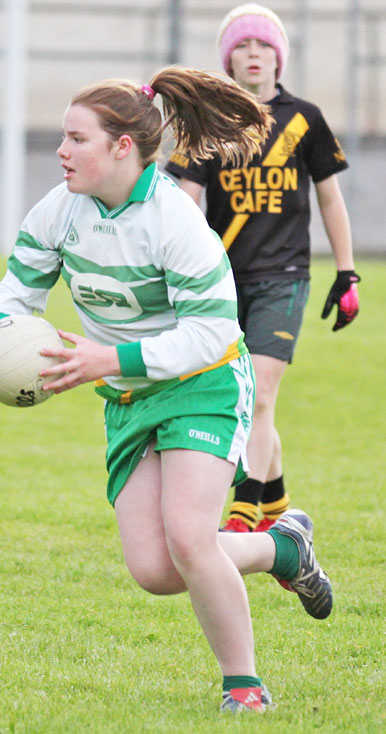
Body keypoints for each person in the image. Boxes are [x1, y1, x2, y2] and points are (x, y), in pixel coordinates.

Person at [0, 66, 333, 715]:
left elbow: (211, 333)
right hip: (129, 394)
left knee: (190, 538)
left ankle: (243, 688)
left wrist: (106, 356)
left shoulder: (176, 222)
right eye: (63, 136)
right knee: (155, 569)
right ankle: (283, 546)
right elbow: (17, 289)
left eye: (77, 138)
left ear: (122, 148)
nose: (61, 150)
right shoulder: (59, 210)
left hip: (205, 382)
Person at [165, 3, 360, 534]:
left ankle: (247, 504)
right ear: (228, 61)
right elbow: (184, 198)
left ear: (280, 56)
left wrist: (347, 273)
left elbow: (331, 200)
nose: (254, 54)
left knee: (260, 388)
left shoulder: (306, 120)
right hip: (221, 279)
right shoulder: (211, 120)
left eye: (263, 45)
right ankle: (277, 503)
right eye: (242, 47)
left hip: (285, 276)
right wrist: (167, 264)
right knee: (244, 391)